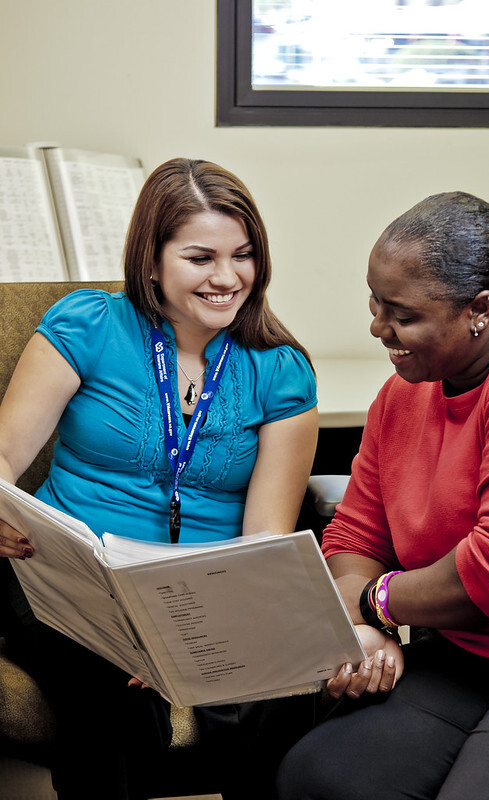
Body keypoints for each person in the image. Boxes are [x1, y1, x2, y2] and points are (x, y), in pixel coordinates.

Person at [277, 191, 489, 800]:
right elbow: (357, 536)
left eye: (402, 314)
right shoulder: (404, 391)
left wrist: (377, 602)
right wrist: (365, 625)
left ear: (480, 308)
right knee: (320, 779)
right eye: (375, 303)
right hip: (469, 650)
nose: (379, 328)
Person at [0, 158, 319, 799]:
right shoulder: (85, 326)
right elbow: (3, 458)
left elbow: (263, 541)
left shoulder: (282, 372)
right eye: (201, 257)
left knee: (270, 700)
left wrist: (177, 638)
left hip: (201, 593)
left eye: (244, 255)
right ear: (152, 260)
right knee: (108, 697)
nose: (227, 278)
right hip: (68, 578)